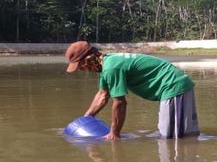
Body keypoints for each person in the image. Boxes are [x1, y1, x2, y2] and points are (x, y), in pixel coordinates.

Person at [65, 41, 199, 140]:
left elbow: (120, 102)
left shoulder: (112, 67)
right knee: (177, 134)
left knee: (172, 137)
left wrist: (115, 133)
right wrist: (86, 118)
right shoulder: (107, 64)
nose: (82, 69)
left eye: (81, 65)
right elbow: (102, 95)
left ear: (89, 58)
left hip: (172, 85)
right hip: (173, 86)